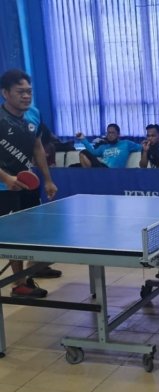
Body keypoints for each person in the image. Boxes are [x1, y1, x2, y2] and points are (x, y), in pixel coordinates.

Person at [0, 69, 59, 298]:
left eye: (29, 91)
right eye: (20, 92)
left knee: (32, 229)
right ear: (5, 93)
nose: (26, 96)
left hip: (28, 184)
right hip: (4, 188)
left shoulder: (34, 114)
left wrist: (48, 180)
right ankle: (19, 284)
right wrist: (6, 178)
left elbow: (37, 147)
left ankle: (36, 267)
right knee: (13, 234)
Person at [76, 123, 142, 168]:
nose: (110, 135)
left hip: (112, 172)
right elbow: (93, 152)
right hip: (101, 168)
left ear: (118, 134)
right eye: (108, 133)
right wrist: (83, 139)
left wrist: (146, 144)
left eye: (112, 133)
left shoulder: (126, 144)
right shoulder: (103, 147)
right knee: (74, 166)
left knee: (84, 152)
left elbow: (141, 147)